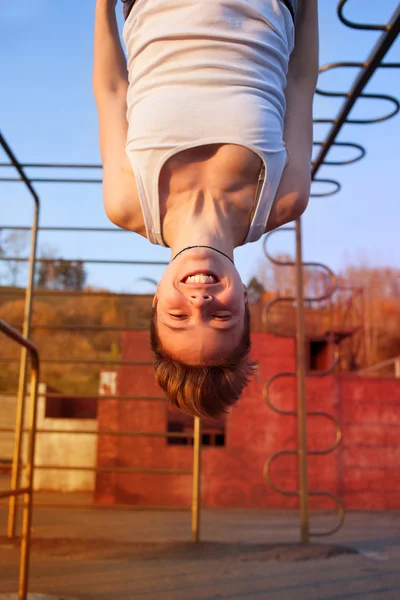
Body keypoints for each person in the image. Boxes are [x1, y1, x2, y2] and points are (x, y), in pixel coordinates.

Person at [93, 0, 319, 418]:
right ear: (246, 302)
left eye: (178, 316)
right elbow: (301, 82)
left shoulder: (126, 203)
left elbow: (111, 90)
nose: (200, 300)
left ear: (156, 300)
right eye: (221, 318)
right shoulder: (284, 197)